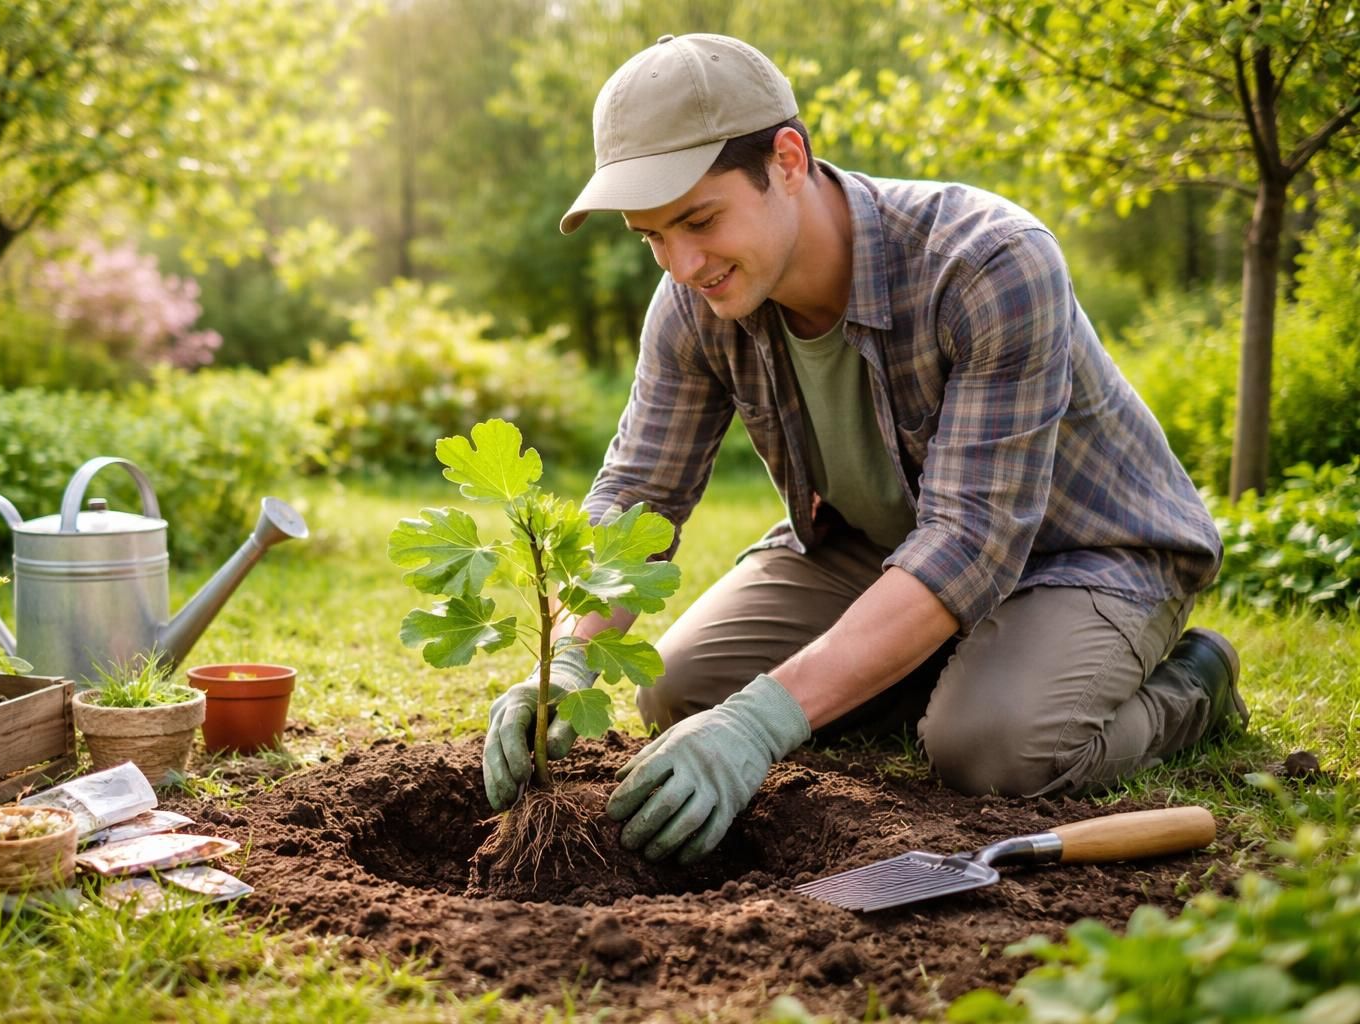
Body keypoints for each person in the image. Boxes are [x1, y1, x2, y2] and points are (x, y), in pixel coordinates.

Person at [480, 33, 1247, 865]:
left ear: (787, 158)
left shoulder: (989, 261)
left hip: (1084, 555)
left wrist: (763, 720)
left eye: (699, 219)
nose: (684, 263)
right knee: (678, 688)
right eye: (653, 236)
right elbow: (641, 492)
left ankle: (1194, 681)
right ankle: (931, 665)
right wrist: (570, 658)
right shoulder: (692, 301)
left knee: (987, 748)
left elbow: (970, 543)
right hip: (876, 547)